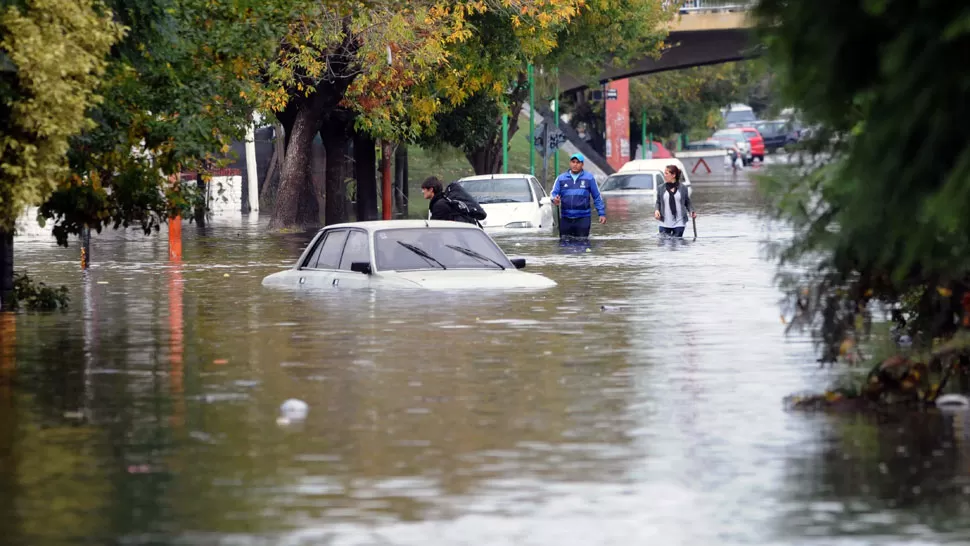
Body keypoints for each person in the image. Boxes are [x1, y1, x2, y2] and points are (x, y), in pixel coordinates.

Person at [550, 153, 606, 240]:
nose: (575, 165)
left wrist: (601, 213)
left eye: (578, 162)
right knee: (564, 245)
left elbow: (597, 197)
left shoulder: (589, 178)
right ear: (570, 163)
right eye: (573, 162)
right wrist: (555, 200)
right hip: (565, 218)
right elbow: (553, 194)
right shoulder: (561, 178)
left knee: (582, 244)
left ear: (582, 164)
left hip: (583, 218)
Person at [654, 164, 696, 237]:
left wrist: (691, 211)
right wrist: (656, 210)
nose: (664, 175)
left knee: (677, 243)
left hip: (679, 222)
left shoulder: (683, 188)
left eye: (666, 173)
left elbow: (687, 202)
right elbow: (658, 202)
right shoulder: (661, 188)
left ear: (673, 175)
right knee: (664, 245)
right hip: (664, 222)